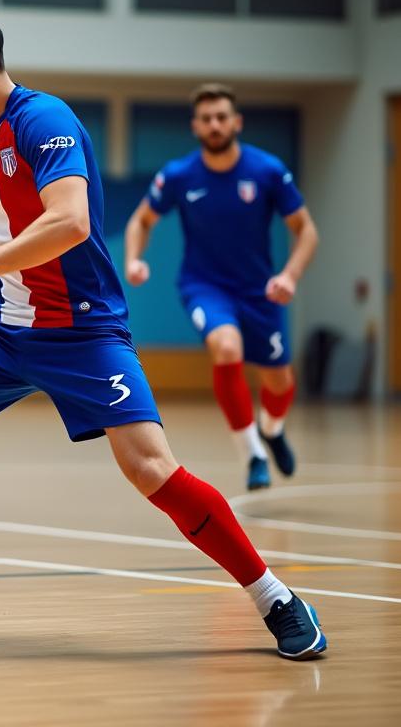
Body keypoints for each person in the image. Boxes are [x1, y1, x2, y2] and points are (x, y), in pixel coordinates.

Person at [0, 0, 326, 661]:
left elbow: (69, 221)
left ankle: (275, 596)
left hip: (82, 332)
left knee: (151, 468)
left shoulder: (45, 120)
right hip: (2, 325)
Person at [124, 83, 318, 490]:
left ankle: (273, 428)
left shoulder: (267, 171)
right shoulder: (179, 175)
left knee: (279, 380)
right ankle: (253, 455)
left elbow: (306, 230)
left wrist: (289, 276)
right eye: (207, 119)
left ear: (236, 122)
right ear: (196, 126)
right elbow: (141, 220)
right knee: (227, 347)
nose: (215, 125)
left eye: (222, 117)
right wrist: (134, 259)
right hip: (204, 286)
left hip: (260, 290)